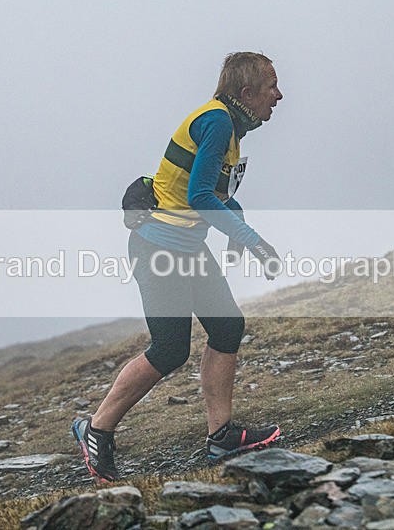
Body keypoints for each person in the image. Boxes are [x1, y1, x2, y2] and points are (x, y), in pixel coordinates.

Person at [72, 52, 284, 482]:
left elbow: (214, 195)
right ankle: (96, 429)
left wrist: (235, 224)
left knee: (227, 328)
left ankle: (221, 436)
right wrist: (252, 240)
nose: (278, 95)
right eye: (271, 86)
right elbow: (201, 197)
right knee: (170, 348)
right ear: (247, 93)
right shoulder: (218, 122)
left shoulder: (229, 128)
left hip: (187, 246)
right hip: (159, 248)